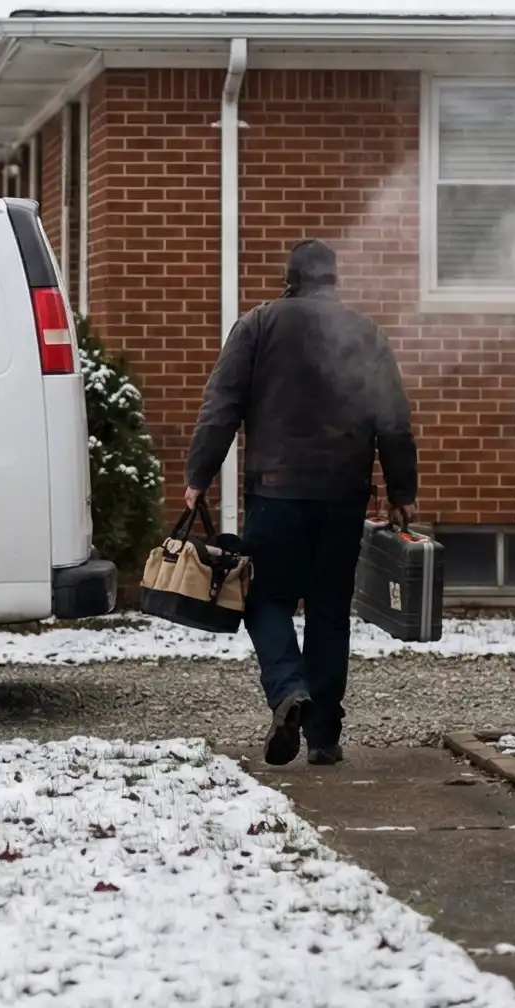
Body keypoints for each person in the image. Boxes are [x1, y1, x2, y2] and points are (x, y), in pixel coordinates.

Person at [182, 238, 417, 767]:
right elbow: (393, 420)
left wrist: (199, 474)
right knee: (330, 609)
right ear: (333, 280)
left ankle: (289, 688)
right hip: (344, 495)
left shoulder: (258, 325)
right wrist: (402, 491)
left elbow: (222, 405)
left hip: (276, 493)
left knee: (264, 599)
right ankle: (324, 738)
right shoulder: (364, 332)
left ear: (289, 279)